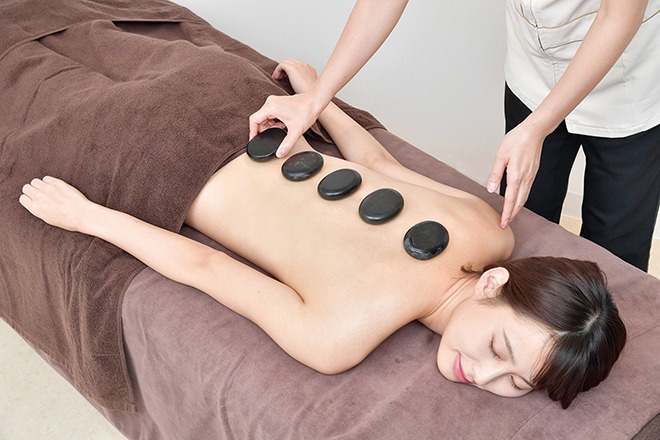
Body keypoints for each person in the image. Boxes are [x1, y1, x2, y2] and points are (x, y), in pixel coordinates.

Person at [20, 59, 625, 409]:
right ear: (494, 285)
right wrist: (88, 218)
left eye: (519, 384)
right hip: (160, 153)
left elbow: (378, 166)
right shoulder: (339, 338)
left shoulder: (490, 233)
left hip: (224, 94)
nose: (486, 376)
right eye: (499, 349)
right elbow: (207, 267)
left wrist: (318, 98)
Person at [249, 0, 660, 271]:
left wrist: (538, 127)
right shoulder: (487, 244)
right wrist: (316, 97)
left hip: (629, 84)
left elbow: (618, 15)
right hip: (535, 68)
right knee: (524, 220)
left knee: (616, 250)